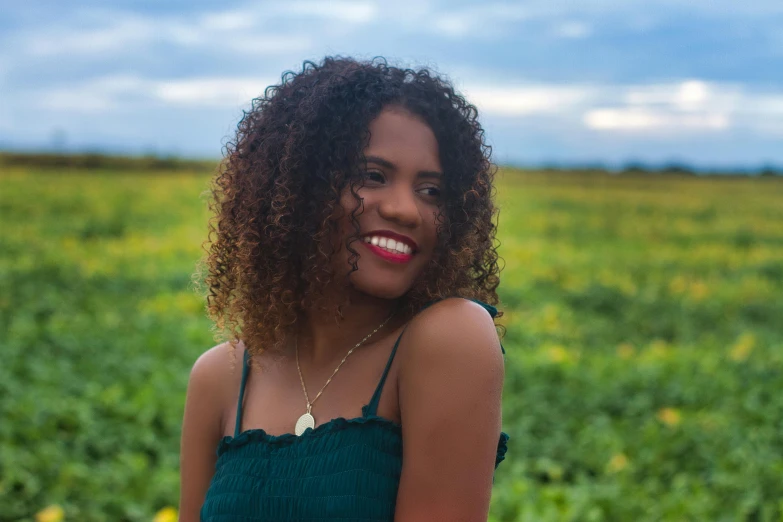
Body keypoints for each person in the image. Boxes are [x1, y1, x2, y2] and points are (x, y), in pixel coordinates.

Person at [179, 55, 509, 522]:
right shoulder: (220, 378)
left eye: (431, 190)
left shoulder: (449, 339)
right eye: (372, 175)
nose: (406, 210)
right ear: (294, 189)